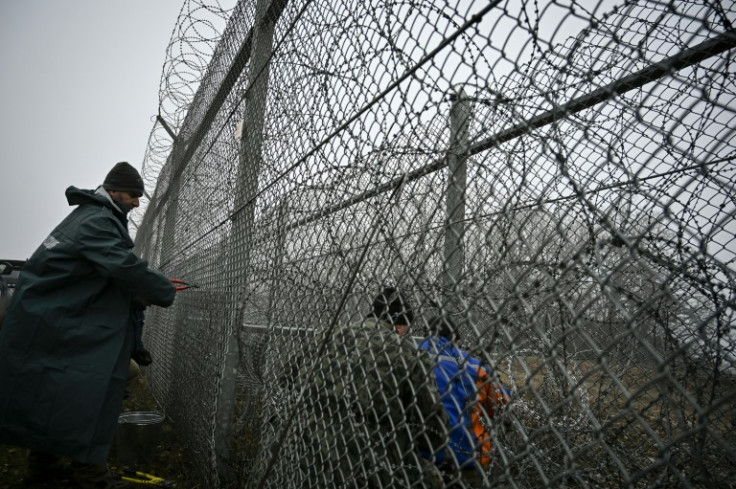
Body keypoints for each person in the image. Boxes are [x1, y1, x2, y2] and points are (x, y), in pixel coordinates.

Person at [0, 161, 176, 489]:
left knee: (50, 398)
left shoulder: (88, 216)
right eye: (133, 194)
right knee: (89, 397)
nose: (137, 202)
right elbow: (122, 266)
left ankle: (43, 473)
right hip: (58, 323)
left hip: (50, 320)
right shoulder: (98, 220)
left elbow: (92, 277)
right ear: (113, 190)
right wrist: (161, 289)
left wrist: (136, 297)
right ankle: (90, 478)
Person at [285, 287, 447, 488]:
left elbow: (286, 379)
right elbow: (432, 425)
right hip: (371, 468)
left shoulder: (325, 336)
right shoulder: (407, 353)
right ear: (400, 325)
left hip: (308, 457)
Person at [417, 316, 511, 487]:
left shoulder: (410, 356)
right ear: (455, 339)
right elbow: (502, 402)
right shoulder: (474, 367)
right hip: (465, 455)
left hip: (421, 453)